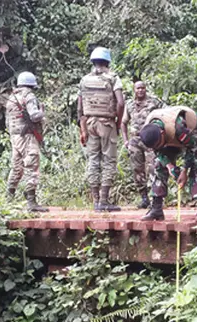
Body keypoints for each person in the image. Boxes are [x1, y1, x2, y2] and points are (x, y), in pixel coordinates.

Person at [137, 106, 197, 221]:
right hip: (171, 136)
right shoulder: (148, 132)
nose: (158, 147)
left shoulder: (179, 128)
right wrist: (170, 166)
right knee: (157, 165)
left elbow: (192, 147)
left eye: (159, 143)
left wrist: (184, 170)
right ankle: (156, 209)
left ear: (162, 133)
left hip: (194, 130)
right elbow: (158, 151)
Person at [77, 46, 125, 212]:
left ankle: (96, 200)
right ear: (108, 61)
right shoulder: (113, 78)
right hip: (106, 123)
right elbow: (121, 103)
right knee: (109, 160)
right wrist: (118, 123)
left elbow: (80, 108)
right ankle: (104, 200)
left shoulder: (84, 80)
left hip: (89, 123)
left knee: (93, 161)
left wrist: (82, 129)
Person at [5, 71, 48, 212]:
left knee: (16, 167)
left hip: (15, 137)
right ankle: (31, 202)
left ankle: (8, 199)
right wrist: (42, 111)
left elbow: (7, 122)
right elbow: (34, 116)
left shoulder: (12, 98)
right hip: (27, 136)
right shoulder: (29, 96)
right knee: (32, 165)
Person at [121, 81, 164, 209]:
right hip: (135, 140)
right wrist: (126, 140)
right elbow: (123, 122)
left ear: (146, 89)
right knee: (137, 169)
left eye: (143, 88)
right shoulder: (129, 104)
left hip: (151, 139)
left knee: (154, 168)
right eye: (138, 88)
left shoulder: (154, 102)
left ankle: (155, 199)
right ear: (134, 90)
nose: (140, 90)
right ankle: (144, 198)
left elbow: (165, 114)